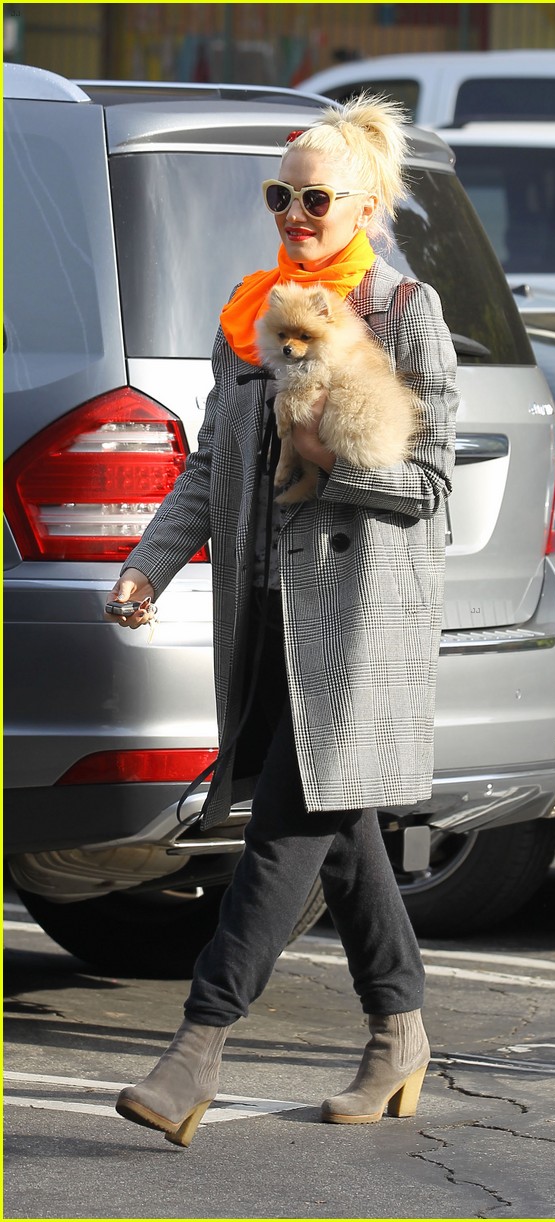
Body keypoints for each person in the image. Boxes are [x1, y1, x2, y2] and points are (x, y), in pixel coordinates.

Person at [107, 95, 458, 1146]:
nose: (296, 215)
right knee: (340, 831)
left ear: (364, 207)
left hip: (353, 626)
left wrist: (332, 462)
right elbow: (210, 466)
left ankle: (196, 1049)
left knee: (287, 829)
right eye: (281, 196)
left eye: (316, 199)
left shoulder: (403, 311)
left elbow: (432, 483)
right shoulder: (250, 311)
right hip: (263, 615)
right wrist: (149, 565)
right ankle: (400, 1032)